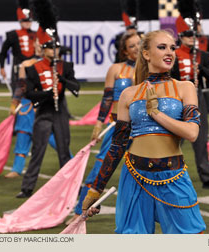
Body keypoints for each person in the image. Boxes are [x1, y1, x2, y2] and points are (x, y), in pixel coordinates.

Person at [82, 30, 206, 234]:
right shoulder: (128, 94)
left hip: (173, 175)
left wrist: (157, 114)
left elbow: (192, 132)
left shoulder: (185, 87)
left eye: (172, 48)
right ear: (146, 54)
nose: (170, 52)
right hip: (134, 177)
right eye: (162, 47)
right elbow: (117, 146)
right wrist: (95, 190)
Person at [65, 32, 141, 224]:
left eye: (140, 43)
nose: (137, 48)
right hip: (117, 126)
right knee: (100, 168)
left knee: (141, 170)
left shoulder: (148, 70)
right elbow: (107, 98)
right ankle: (78, 211)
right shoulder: (116, 69)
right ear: (124, 50)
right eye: (132, 46)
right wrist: (99, 122)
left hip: (141, 127)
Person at [16, 0, 80, 198]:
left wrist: (61, 79)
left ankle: (70, 187)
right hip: (43, 112)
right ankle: (27, 188)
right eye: (51, 48)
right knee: (38, 151)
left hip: (60, 112)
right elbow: (29, 94)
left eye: (56, 48)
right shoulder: (33, 68)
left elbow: (76, 88)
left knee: (63, 151)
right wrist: (46, 93)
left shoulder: (65, 66)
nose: (55, 52)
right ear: (43, 49)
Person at [171, 14, 209, 189]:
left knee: (201, 138)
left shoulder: (202, 55)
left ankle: (207, 177)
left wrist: (202, 68)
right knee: (174, 139)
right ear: (181, 36)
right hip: (176, 98)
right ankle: (166, 174)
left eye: (193, 35)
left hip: (197, 99)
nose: (192, 38)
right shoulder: (173, 54)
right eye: (188, 35)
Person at [5, 37, 60, 179]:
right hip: (27, 106)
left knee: (53, 137)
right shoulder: (26, 64)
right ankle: (17, 169)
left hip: (44, 106)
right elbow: (21, 86)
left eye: (41, 44)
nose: (38, 47)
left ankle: (70, 161)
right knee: (23, 135)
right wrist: (14, 103)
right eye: (36, 44)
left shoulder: (55, 65)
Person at [0, 1, 36, 94]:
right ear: (20, 21)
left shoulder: (36, 35)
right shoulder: (13, 34)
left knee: (34, 93)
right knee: (17, 93)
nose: (27, 23)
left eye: (29, 21)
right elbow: (3, 52)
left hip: (33, 68)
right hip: (18, 68)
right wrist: (2, 67)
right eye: (24, 21)